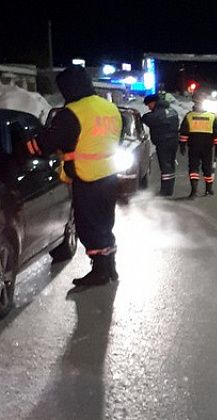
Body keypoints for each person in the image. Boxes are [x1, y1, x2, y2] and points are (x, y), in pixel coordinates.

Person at [26, 66, 122, 286]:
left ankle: (99, 271)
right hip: (109, 174)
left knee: (89, 225)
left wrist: (30, 143)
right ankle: (109, 267)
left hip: (87, 177)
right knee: (105, 222)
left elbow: (46, 144)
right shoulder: (109, 108)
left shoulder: (72, 113)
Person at [179, 99, 217, 198]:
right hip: (207, 147)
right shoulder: (211, 117)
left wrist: (182, 145)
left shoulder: (189, 116)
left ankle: (194, 191)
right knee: (207, 168)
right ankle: (208, 189)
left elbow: (184, 133)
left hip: (193, 146)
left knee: (194, 168)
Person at [141, 94, 179, 196]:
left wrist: (144, 116)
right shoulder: (171, 111)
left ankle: (165, 191)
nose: (149, 107)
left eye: (149, 105)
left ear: (154, 102)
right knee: (170, 165)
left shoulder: (158, 114)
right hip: (174, 141)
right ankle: (169, 189)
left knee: (165, 166)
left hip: (164, 143)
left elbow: (147, 118)